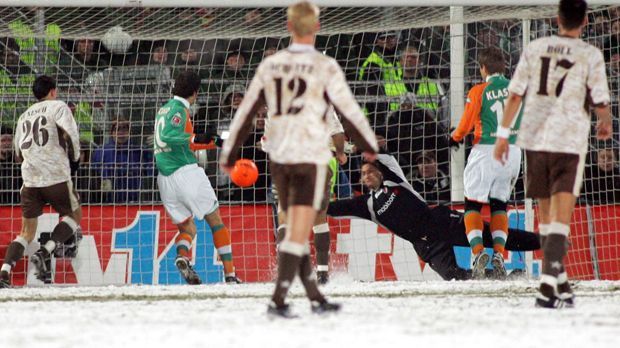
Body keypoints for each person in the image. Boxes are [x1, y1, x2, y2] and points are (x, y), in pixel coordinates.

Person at [220, 1, 378, 318]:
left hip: (279, 158)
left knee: (290, 224)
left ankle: (311, 297)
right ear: (317, 28)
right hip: (309, 157)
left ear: (289, 27)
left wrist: (229, 153)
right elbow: (350, 112)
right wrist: (368, 147)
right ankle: (282, 300)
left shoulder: (270, 66)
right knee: (300, 227)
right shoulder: (325, 66)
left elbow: (246, 113)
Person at [494, 0, 613, 308]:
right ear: (585, 20)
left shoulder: (535, 48)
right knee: (561, 216)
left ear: (556, 18)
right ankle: (547, 287)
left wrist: (503, 136)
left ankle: (559, 282)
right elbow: (601, 102)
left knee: (546, 215)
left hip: (533, 139)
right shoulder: (590, 55)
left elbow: (515, 95)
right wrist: (605, 123)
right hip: (568, 141)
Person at [327, 152, 540, 281]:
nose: (367, 176)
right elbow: (334, 208)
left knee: (492, 237)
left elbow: (383, 155)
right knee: (453, 276)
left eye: (370, 171)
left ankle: (545, 242)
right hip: (425, 245)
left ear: (380, 172)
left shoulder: (395, 180)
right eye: (363, 174)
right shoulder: (367, 205)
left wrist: (362, 150)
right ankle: (499, 276)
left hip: (440, 221)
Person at [154, 71, 241, 285]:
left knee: (188, 228)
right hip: (185, 173)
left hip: (165, 179)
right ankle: (230, 275)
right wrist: (195, 136)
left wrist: (214, 142)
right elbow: (170, 137)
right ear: (195, 92)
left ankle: (183, 256)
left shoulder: (163, 109)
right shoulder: (179, 110)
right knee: (216, 222)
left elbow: (185, 141)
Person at [0, 76, 82, 288]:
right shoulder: (58, 106)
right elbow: (72, 134)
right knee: (75, 214)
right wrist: (74, 161)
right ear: (53, 91)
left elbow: (17, 154)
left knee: (26, 232)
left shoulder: (23, 116)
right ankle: (45, 250)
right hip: (55, 174)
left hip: (30, 179)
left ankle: (5, 270)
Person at [450, 47, 523, 279]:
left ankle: (478, 251)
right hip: (512, 151)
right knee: (499, 204)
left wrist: (455, 137)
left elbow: (467, 121)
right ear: (504, 67)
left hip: (486, 150)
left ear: (483, 68)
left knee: (472, 204)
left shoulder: (479, 90)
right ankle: (499, 254)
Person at [91, 116, 153, 203]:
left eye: (124, 129)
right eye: (117, 129)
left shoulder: (139, 151)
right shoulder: (101, 151)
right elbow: (93, 174)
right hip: (108, 201)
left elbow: (151, 171)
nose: (121, 132)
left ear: (129, 132)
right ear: (112, 133)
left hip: (134, 200)